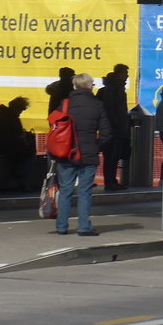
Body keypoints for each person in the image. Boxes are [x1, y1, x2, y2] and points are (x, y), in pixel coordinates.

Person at [52, 73, 112, 237]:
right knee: (85, 191)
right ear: (89, 86)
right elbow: (107, 133)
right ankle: (84, 227)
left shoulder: (64, 104)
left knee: (65, 190)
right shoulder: (97, 105)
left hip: (65, 153)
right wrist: (96, 146)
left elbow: (53, 125)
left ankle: (62, 226)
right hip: (88, 155)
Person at [96, 64, 132, 191]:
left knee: (113, 156)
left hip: (113, 128)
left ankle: (112, 181)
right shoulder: (114, 89)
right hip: (113, 130)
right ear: (119, 74)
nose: (127, 76)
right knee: (111, 157)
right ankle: (110, 182)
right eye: (125, 73)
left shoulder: (115, 88)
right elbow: (111, 110)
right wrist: (117, 125)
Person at [0, 96, 36, 191]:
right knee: (30, 153)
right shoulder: (12, 118)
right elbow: (16, 137)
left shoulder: (0, 115)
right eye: (21, 110)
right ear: (17, 108)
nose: (20, 113)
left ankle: (18, 177)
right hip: (8, 148)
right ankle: (22, 181)